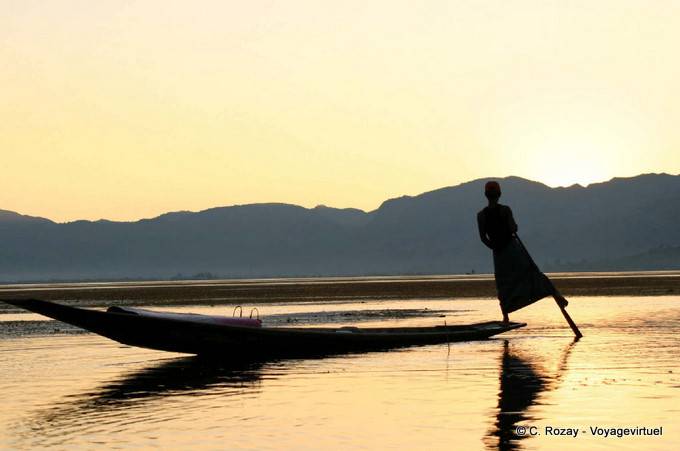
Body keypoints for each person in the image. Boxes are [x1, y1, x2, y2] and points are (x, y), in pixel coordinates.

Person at [477, 181, 567, 323]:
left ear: (486, 195)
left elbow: (483, 238)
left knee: (503, 284)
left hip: (499, 254)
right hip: (513, 250)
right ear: (499, 194)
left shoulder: (481, 215)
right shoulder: (505, 210)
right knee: (532, 273)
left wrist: (494, 247)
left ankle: (506, 316)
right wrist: (512, 229)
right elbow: (513, 228)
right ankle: (557, 295)